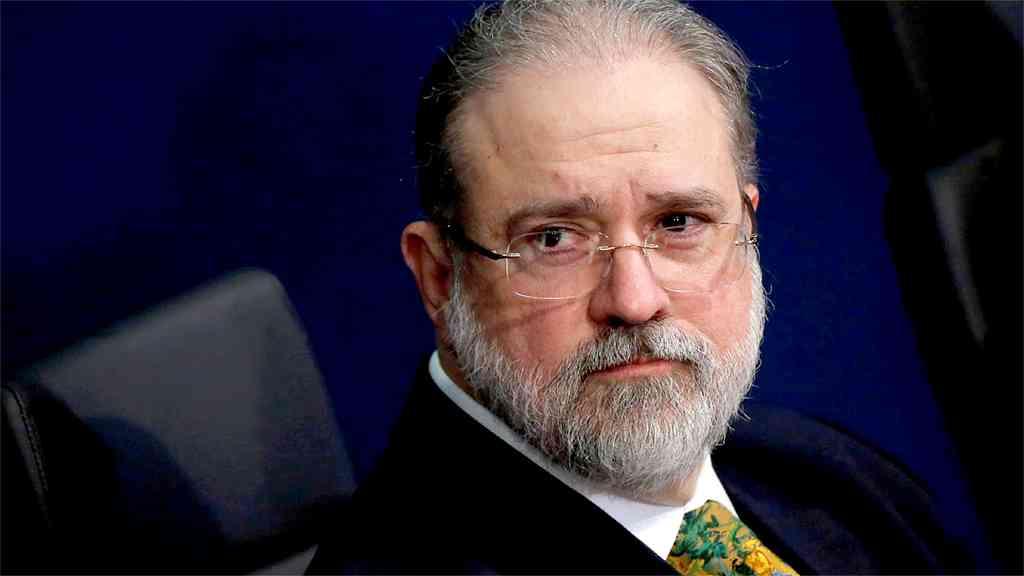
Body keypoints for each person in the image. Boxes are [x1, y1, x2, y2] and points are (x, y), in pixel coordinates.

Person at [309, 1, 958, 573]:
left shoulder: (834, 478)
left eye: (678, 223)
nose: (635, 300)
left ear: (747, 227)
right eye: (554, 239)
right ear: (440, 276)